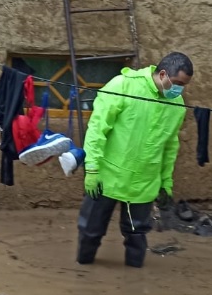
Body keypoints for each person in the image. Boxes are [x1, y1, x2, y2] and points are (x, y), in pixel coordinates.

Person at [77, 52, 194, 267]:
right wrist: (91, 168)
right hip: (106, 177)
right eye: (177, 83)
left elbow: (169, 146)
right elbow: (96, 130)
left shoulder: (176, 104)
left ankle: (134, 278)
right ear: (163, 74)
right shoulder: (123, 86)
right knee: (90, 230)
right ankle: (82, 270)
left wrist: (165, 182)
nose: (179, 89)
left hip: (144, 182)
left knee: (137, 234)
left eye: (183, 85)